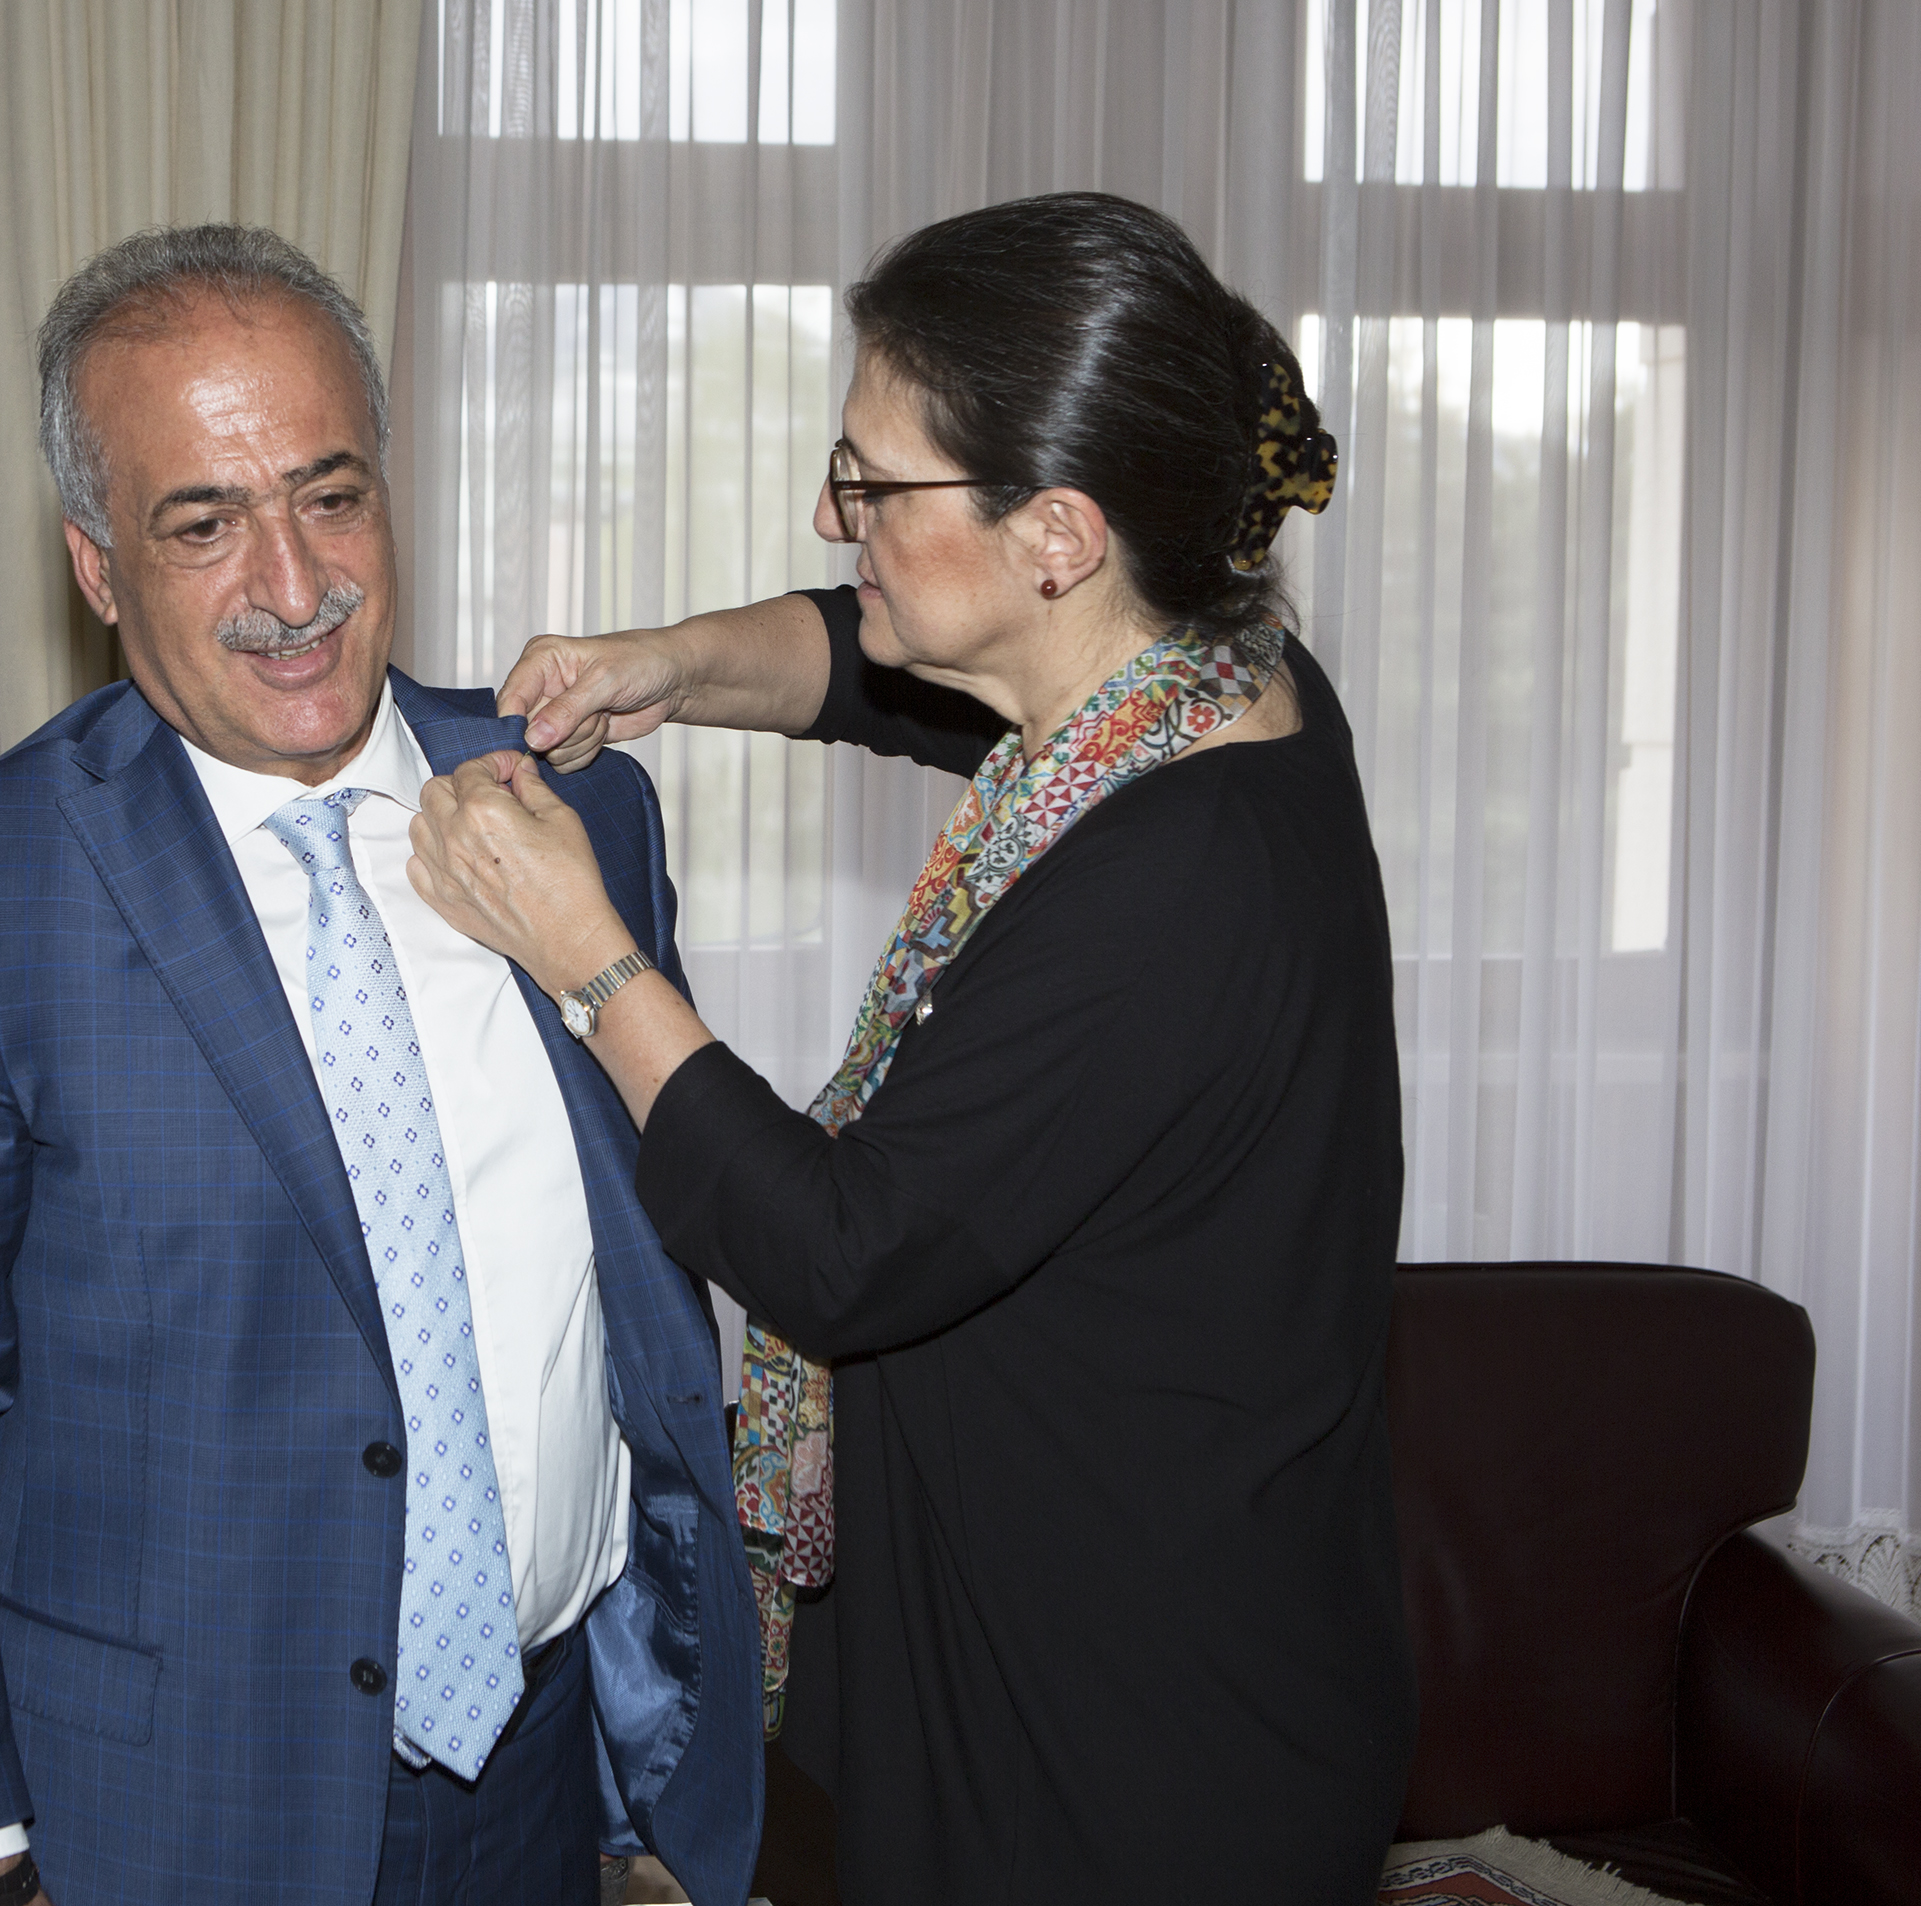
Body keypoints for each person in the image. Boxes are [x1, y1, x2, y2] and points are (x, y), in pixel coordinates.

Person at [407, 192, 1416, 1902]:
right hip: (1113, 1640)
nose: (836, 512)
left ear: (1057, 534)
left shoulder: (1177, 879)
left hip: (1135, 1746)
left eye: (874, 484)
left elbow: (838, 1243)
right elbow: (868, 663)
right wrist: (672, 665)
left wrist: (586, 955)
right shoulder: (1183, 688)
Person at [0, 225, 760, 1906]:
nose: (296, 585)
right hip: (164, 1818)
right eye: (204, 522)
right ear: (98, 566)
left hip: (544, 1782)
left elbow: (639, 1294)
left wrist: (651, 1775)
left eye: (331, 494)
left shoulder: (573, 806)